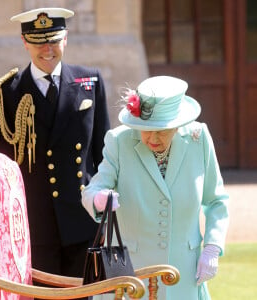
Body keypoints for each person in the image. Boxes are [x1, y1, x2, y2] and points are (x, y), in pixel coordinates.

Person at [0, 7, 110, 282]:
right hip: (34, 223)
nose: (47, 49)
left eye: (54, 39)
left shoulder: (89, 81)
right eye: (38, 41)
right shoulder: (6, 93)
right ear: (24, 42)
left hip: (83, 220)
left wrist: (106, 206)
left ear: (65, 38)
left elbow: (105, 156)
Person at [81, 76, 229, 299]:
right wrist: (98, 199)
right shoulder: (119, 140)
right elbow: (92, 190)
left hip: (183, 274)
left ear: (178, 124)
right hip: (130, 277)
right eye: (146, 129)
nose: (152, 138)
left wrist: (212, 248)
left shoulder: (199, 139)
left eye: (162, 130)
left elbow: (217, 201)